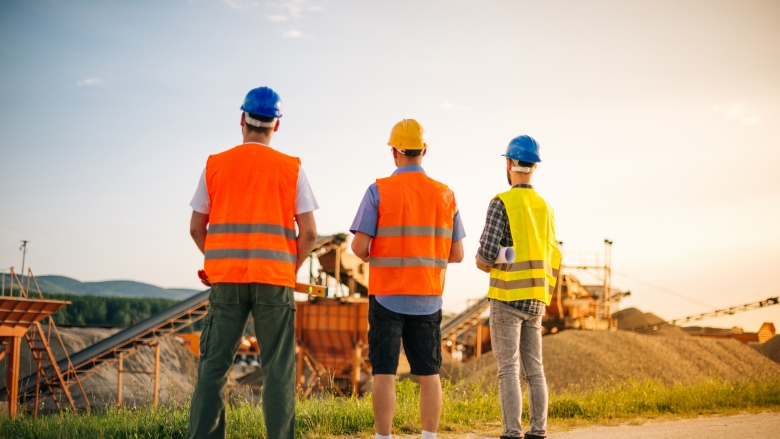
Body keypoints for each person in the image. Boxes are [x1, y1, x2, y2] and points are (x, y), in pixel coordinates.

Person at [187, 86, 319, 439]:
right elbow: (308, 233)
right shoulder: (292, 168)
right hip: (274, 282)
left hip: (226, 281)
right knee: (278, 370)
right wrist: (285, 267)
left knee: (213, 368)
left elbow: (196, 227)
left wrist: (217, 258)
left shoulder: (215, 164)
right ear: (276, 126)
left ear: (242, 119)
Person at [350, 119, 465, 439]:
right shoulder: (446, 195)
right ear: (424, 151)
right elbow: (456, 255)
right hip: (428, 298)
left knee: (384, 372)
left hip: (387, 296)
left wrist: (376, 256)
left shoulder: (378, 191)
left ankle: (383, 437)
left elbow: (358, 247)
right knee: (430, 374)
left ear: (394, 153)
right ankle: (429, 437)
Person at [475, 135, 561, 439]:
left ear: (509, 163)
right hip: (537, 299)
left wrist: (484, 262)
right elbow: (553, 254)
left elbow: (486, 254)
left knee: (509, 369)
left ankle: (512, 432)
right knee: (535, 369)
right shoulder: (546, 208)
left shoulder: (502, 202)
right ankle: (538, 431)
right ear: (534, 166)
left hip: (508, 297)